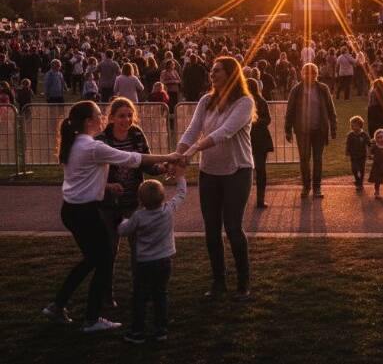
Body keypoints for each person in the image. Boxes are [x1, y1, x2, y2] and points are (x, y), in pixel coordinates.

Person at [42, 101, 178, 332]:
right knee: (102, 261)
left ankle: (57, 305)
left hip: (73, 210)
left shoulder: (77, 143)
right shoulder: (92, 147)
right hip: (84, 213)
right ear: (88, 122)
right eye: (98, 115)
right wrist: (172, 156)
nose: (102, 118)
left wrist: (106, 187)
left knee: (92, 261)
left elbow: (80, 179)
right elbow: (133, 159)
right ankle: (91, 319)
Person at [176, 56, 256, 301]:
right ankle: (218, 280)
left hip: (237, 171)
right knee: (211, 229)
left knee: (232, 227)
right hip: (209, 172)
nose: (212, 74)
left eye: (217, 70)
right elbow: (192, 130)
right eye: (211, 70)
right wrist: (178, 154)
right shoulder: (206, 101)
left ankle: (243, 283)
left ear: (230, 74)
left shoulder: (245, 102)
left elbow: (225, 132)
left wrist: (191, 151)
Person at [96, 97, 165, 308]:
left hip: (134, 202)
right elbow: (94, 172)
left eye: (129, 115)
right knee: (109, 250)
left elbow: (145, 160)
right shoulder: (102, 139)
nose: (126, 120)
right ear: (112, 118)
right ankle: (106, 294)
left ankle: (141, 290)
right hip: (109, 204)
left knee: (139, 249)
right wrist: (109, 186)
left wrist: (160, 168)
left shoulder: (136, 134)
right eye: (121, 116)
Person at [117, 164, 187, 344]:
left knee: (140, 295)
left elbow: (123, 231)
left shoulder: (139, 217)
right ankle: (160, 329)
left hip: (145, 262)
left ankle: (138, 331)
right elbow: (181, 194)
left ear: (140, 200)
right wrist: (180, 177)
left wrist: (122, 219)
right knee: (161, 294)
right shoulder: (168, 210)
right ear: (162, 197)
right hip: (164, 260)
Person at [284, 63, 337, 198]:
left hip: (319, 129)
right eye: (306, 73)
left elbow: (331, 109)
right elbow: (289, 110)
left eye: (313, 73)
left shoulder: (323, 89)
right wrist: (288, 129)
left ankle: (317, 188)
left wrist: (333, 127)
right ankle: (306, 187)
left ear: (316, 74)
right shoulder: (296, 90)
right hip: (302, 131)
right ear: (302, 74)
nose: (310, 75)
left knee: (318, 159)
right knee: (304, 159)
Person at [247, 78, 274, 208]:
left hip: (258, 138)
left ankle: (260, 198)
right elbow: (268, 119)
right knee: (255, 169)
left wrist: (253, 122)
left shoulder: (260, 101)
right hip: (254, 138)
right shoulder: (245, 102)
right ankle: (258, 198)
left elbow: (267, 119)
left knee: (260, 169)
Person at [346, 116, 371, 189]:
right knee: (354, 169)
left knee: (361, 169)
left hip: (362, 155)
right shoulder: (350, 135)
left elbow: (368, 143)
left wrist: (372, 145)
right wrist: (347, 151)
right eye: (351, 125)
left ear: (360, 125)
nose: (353, 127)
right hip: (353, 155)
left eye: (355, 126)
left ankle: (360, 183)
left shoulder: (364, 135)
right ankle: (357, 179)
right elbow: (348, 144)